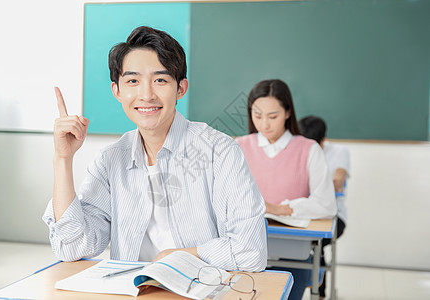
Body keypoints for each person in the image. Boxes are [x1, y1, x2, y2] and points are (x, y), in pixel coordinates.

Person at [42, 26, 267, 272]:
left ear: (181, 88)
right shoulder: (110, 160)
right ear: (117, 91)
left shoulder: (220, 151)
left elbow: (251, 252)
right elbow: (72, 248)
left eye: (160, 80)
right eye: (133, 81)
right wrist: (62, 159)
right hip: (133, 291)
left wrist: (179, 256)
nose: (146, 94)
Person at [235, 79, 336, 299]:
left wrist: (281, 209)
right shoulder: (239, 146)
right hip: (244, 250)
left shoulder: (308, 149)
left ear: (288, 112)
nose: (264, 124)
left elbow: (327, 205)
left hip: (292, 252)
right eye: (257, 115)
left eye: (273, 116)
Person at [299, 115, 350, 300]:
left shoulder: (339, 151)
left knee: (314, 247)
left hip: (333, 218)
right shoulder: (298, 149)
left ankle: (319, 295)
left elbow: (338, 181)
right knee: (294, 246)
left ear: (324, 140)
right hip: (302, 214)